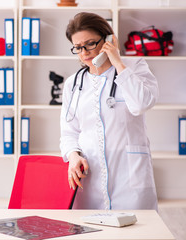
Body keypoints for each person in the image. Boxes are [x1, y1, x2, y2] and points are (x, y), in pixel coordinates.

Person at [60, 12, 159, 210]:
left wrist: (118, 63)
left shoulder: (134, 67)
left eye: (90, 44)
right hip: (89, 179)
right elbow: (69, 132)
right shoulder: (74, 83)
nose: (84, 52)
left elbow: (141, 104)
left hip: (130, 179)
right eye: (78, 47)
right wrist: (72, 155)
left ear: (107, 40)